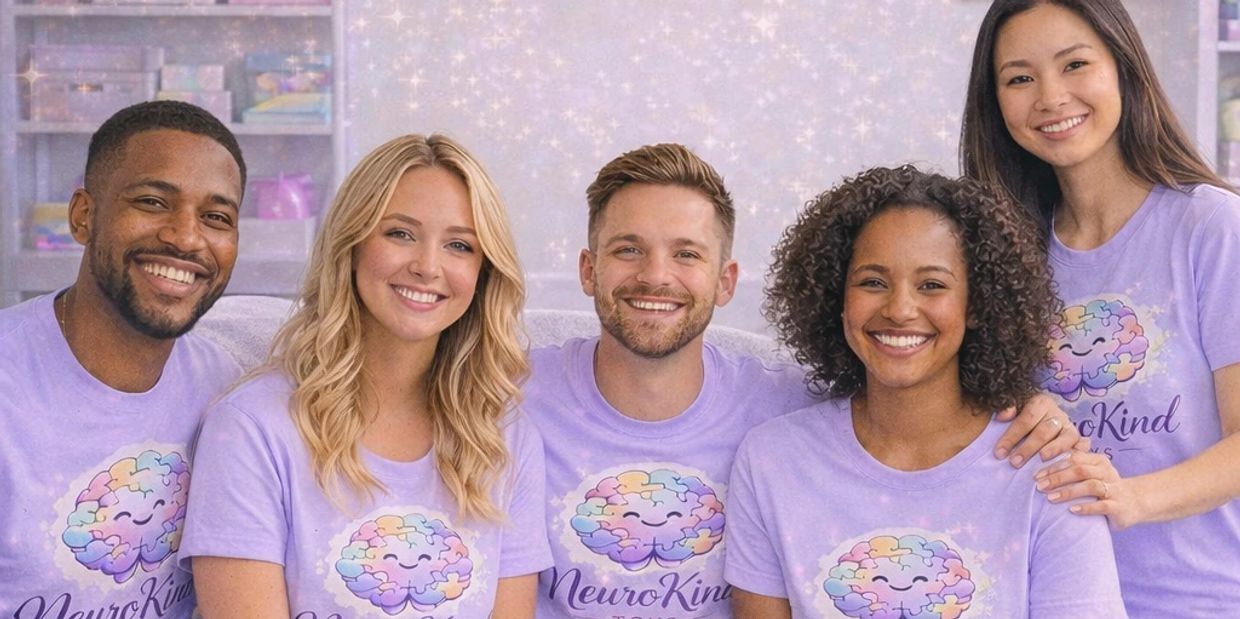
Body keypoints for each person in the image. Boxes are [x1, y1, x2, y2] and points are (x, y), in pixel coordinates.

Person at [524, 144, 1082, 619]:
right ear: (588, 270)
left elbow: (902, 392)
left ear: (726, 282)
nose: (655, 275)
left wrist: (1026, 402)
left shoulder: (787, 406)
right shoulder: (509, 396)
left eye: (686, 253)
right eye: (628, 249)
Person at [725, 165, 1126, 618]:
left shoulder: (1051, 474)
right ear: (837, 298)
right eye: (872, 282)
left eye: (932, 285)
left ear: (977, 305)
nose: (899, 309)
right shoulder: (772, 461)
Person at [180, 134, 552, 617]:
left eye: (459, 245)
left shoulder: (504, 438)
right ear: (351, 245)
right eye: (400, 233)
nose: (427, 266)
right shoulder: (251, 427)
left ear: (483, 273)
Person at [961, 1, 1240, 614]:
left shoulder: (1211, 226)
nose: (1051, 97)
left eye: (1075, 64)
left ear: (1123, 69)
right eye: (1020, 78)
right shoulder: (1001, 255)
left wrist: (1130, 497)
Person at [0, 100, 246, 616]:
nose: (186, 237)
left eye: (216, 216)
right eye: (154, 202)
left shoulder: (228, 390)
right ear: (83, 216)